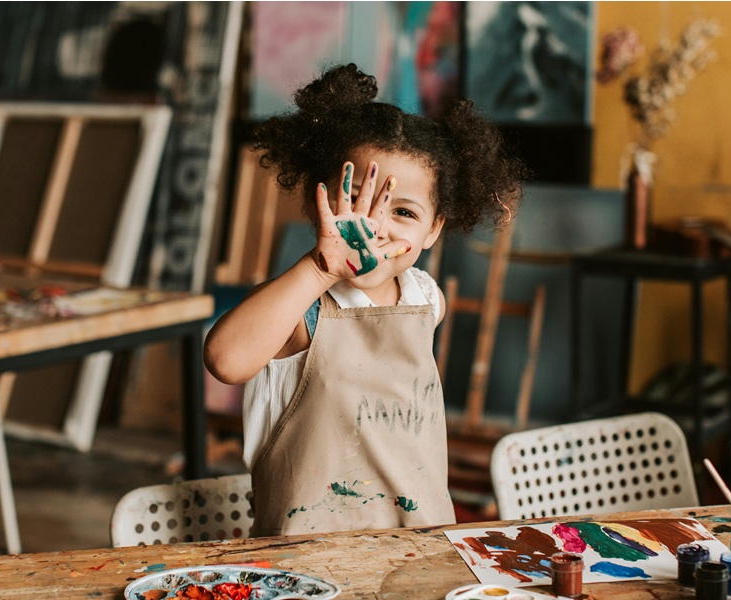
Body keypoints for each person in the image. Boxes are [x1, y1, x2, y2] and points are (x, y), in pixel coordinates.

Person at [204, 63, 525, 537]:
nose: (375, 226)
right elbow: (225, 360)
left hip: (416, 546)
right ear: (320, 202)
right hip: (310, 561)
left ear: (434, 228)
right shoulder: (301, 304)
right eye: (355, 201)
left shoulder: (424, 299)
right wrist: (319, 268)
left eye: (403, 212)